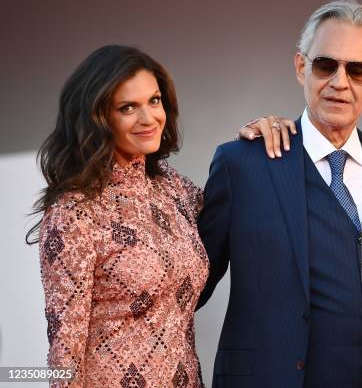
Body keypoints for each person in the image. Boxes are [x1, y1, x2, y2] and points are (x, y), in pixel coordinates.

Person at [197, 0, 362, 388]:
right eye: (325, 65)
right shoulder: (243, 165)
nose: (340, 82)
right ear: (301, 66)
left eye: (357, 69)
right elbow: (184, 286)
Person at [29, 44, 295, 387]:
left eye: (154, 101)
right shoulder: (74, 212)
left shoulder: (172, 188)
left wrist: (255, 139)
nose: (149, 118)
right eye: (128, 107)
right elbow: (65, 350)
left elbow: (235, 206)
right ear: (97, 117)